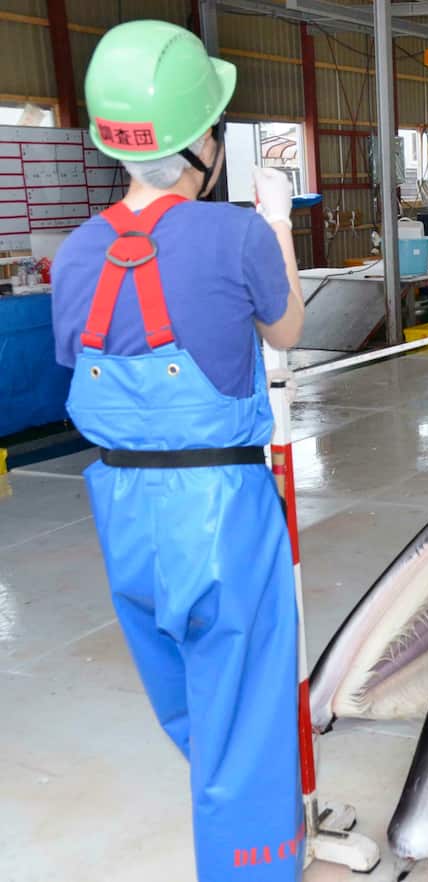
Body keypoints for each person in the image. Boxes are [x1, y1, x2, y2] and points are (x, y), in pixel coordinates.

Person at [50, 21, 306, 879]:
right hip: (221, 515)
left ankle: (240, 819)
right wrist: (279, 229)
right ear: (202, 141)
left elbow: (91, 368)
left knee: (195, 707)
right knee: (244, 711)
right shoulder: (234, 236)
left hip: (125, 514)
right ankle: (256, 861)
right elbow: (287, 330)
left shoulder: (75, 254)